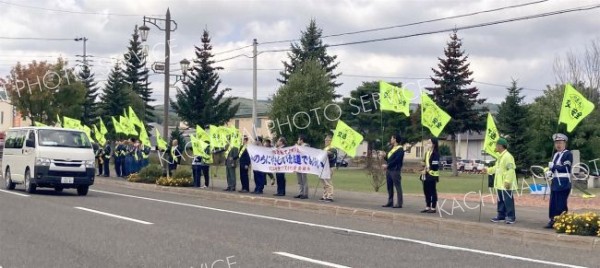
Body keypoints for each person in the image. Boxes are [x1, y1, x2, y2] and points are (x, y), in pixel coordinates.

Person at [485, 138, 517, 224]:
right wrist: (487, 170)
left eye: (496, 145)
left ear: (500, 146)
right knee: (500, 200)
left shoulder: (508, 156)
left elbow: (511, 169)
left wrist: (508, 181)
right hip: (499, 183)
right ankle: (501, 215)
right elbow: (496, 168)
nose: (495, 147)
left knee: (508, 200)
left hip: (506, 183)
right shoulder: (500, 157)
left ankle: (511, 217)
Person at [544, 133, 573, 229]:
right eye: (556, 143)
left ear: (564, 143)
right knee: (553, 203)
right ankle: (553, 219)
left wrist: (554, 166)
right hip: (555, 182)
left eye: (560, 142)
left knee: (561, 203)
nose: (558, 145)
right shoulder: (556, 154)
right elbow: (553, 169)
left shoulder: (568, 154)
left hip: (564, 182)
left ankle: (562, 221)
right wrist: (550, 172)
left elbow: (566, 168)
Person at [382, 133, 404, 208]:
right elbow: (389, 159)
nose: (391, 140)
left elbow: (397, 160)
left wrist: (388, 165)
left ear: (395, 139)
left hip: (395, 170)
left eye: (392, 138)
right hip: (389, 170)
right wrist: (384, 156)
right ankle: (390, 201)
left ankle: (399, 203)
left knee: (397, 186)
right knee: (389, 186)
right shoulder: (392, 148)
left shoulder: (400, 149)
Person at [420, 138, 440, 213]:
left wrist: (427, 170)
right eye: (427, 142)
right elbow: (426, 163)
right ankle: (427, 206)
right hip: (426, 174)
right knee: (426, 190)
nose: (427, 144)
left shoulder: (436, 153)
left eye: (429, 142)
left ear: (433, 144)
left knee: (432, 191)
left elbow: (435, 166)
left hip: (432, 175)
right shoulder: (427, 153)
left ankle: (433, 207)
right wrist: (423, 164)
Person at [321, 135, 337, 202]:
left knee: (328, 181)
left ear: (331, 141)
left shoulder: (333, 148)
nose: (326, 141)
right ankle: (325, 195)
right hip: (324, 167)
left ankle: (330, 196)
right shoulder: (325, 148)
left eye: (327, 140)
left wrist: (325, 153)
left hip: (330, 167)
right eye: (325, 140)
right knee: (324, 182)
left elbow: (331, 154)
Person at [294, 135, 310, 199]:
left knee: (304, 180)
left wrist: (297, 147)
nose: (297, 141)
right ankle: (301, 193)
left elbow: (303, 152)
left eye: (298, 139)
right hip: (298, 165)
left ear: (301, 140)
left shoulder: (306, 146)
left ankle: (305, 194)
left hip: (303, 166)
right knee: (299, 180)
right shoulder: (299, 147)